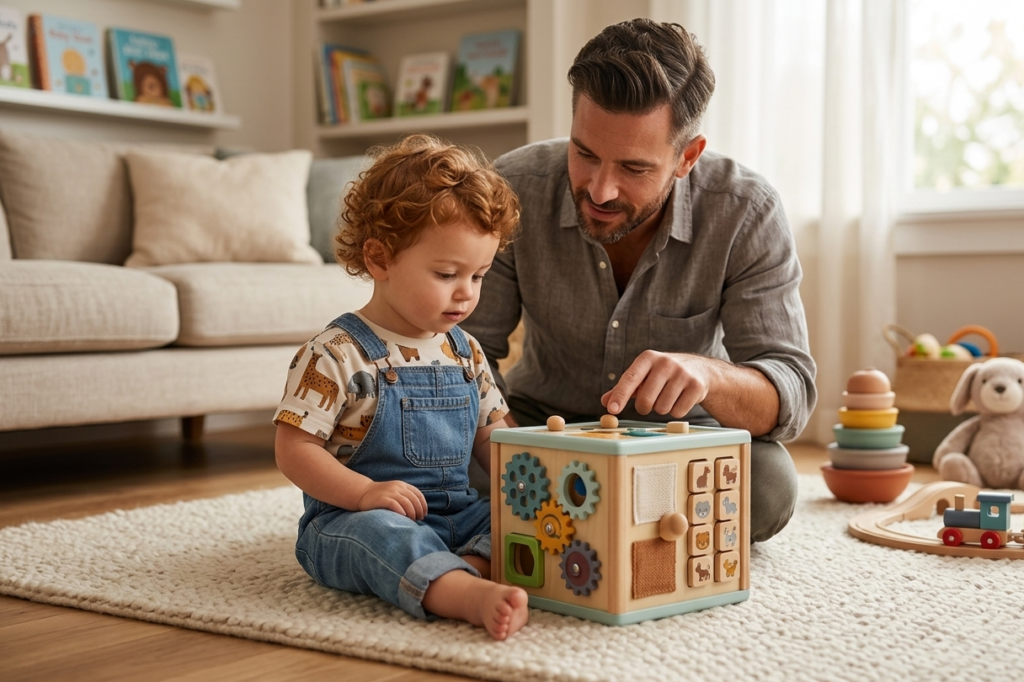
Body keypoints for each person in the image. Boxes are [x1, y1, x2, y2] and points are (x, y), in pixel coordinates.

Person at [461, 19, 817, 543]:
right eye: (584, 154)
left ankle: (563, 522)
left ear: (686, 158)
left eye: (633, 167)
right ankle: (605, 522)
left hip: (678, 438)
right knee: (429, 460)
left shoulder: (746, 210)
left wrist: (709, 374)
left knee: (768, 487)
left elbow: (790, 389)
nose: (601, 190)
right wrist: (510, 448)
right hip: (534, 426)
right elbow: (463, 355)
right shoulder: (514, 188)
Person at [273, 134, 528, 640]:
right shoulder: (336, 353)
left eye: (478, 275)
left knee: (520, 526)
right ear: (380, 259)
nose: (467, 293)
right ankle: (463, 593)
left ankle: (464, 568)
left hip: (455, 513)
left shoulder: (465, 351)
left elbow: (492, 436)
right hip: (351, 518)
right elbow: (294, 449)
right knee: (382, 537)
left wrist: (527, 483)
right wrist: (365, 493)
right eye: (447, 273)